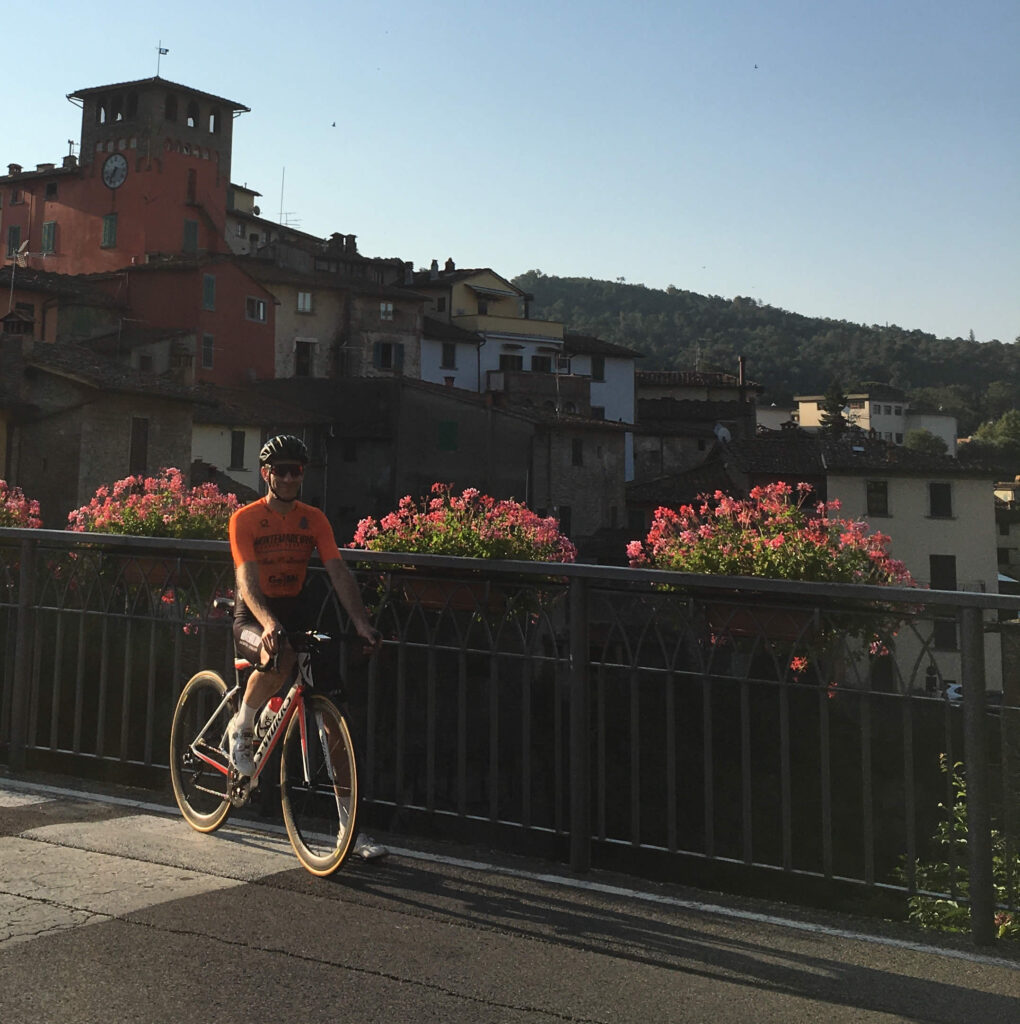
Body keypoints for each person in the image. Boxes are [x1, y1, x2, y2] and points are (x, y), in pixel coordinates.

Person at [227, 433, 387, 860]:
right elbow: (245, 577)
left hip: (296, 612)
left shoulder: (313, 519)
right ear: (266, 475)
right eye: (282, 471)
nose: (291, 477)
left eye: (297, 470)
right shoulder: (245, 518)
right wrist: (267, 623)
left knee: (335, 724)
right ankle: (241, 730)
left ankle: (349, 830)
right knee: (278, 660)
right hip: (254, 614)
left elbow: (337, 572)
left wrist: (361, 623)